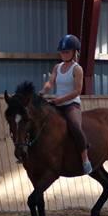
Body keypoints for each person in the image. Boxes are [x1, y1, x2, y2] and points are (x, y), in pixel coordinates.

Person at [39, 34, 92, 174]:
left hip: (71, 105)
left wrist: (60, 100)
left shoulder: (77, 69)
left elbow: (77, 91)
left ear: (74, 52)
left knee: (75, 126)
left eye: (67, 51)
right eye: (62, 52)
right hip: (57, 103)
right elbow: (51, 82)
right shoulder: (57, 67)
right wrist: (43, 92)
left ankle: (85, 159)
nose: (63, 54)